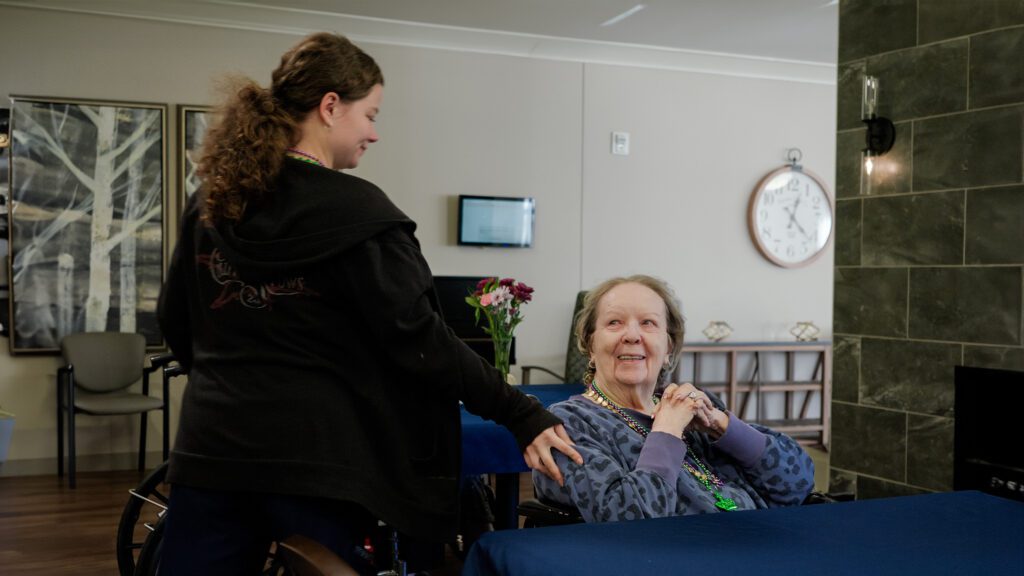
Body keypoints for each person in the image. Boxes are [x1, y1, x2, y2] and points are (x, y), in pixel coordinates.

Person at [157, 32, 581, 575]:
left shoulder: (212, 202)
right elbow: (423, 344)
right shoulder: (357, 212)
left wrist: (234, 386)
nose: (375, 134)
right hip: (320, 463)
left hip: (210, 451)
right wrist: (521, 413)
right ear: (330, 106)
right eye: (371, 114)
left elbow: (175, 322)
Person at [533, 275, 814, 522]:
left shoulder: (694, 407)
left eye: (648, 323)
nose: (632, 335)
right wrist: (667, 431)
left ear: (668, 347)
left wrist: (722, 425)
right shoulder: (568, 424)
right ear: (590, 345)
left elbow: (797, 484)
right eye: (614, 322)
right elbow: (628, 519)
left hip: (760, 544)